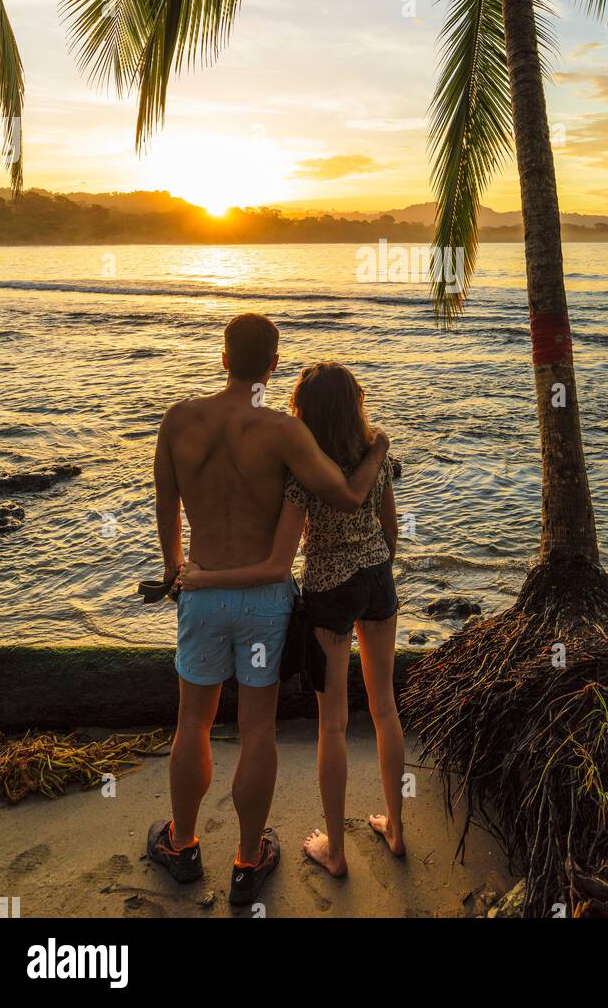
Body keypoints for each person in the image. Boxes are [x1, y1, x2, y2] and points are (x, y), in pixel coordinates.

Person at [148, 316, 389, 906]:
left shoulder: (179, 420)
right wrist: (378, 447)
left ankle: (182, 844)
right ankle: (248, 860)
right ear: (274, 364)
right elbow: (346, 493)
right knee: (257, 729)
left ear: (224, 355)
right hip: (263, 602)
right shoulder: (283, 432)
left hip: (202, 591)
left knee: (192, 723)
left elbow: (166, 503)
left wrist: (176, 570)